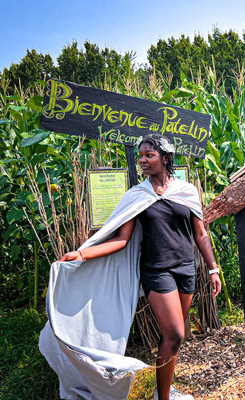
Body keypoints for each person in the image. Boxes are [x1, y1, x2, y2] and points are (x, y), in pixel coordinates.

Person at [54, 134, 221, 400]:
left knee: (175, 340)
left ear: (165, 159)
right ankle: (164, 398)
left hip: (186, 269)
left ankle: (161, 389)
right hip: (158, 271)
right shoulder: (137, 195)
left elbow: (200, 234)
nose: (142, 160)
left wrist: (213, 268)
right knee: (175, 334)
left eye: (149, 155)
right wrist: (81, 254)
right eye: (140, 156)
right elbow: (121, 239)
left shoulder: (186, 191)